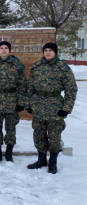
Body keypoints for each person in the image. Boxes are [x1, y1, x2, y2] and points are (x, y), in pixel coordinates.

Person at [26, 42, 77, 174]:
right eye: (46, 50)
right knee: (38, 135)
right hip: (38, 106)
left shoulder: (63, 68)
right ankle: (41, 160)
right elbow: (30, 88)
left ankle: (52, 162)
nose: (48, 52)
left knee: (54, 136)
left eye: (50, 50)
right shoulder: (36, 67)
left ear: (55, 52)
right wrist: (28, 104)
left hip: (55, 108)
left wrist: (66, 108)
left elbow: (71, 89)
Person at [0, 41, 27, 164]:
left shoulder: (17, 65)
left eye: (6, 48)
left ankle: (8, 153)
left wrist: (21, 102)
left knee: (11, 128)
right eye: (1, 48)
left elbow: (23, 85)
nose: (3, 50)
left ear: (9, 50)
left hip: (11, 101)